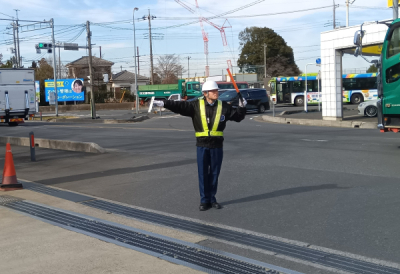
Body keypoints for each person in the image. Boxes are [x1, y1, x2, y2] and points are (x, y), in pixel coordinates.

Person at [153, 80, 247, 211]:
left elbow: (237, 117)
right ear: (205, 93)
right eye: (213, 91)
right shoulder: (195, 105)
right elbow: (179, 106)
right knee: (203, 173)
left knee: (214, 173)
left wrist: (242, 108)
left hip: (217, 145)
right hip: (202, 145)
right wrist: (165, 103)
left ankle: (212, 199)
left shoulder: (223, 106)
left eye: (216, 90)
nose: (216, 93)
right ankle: (204, 201)